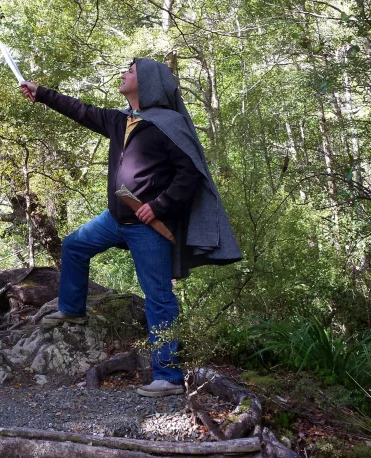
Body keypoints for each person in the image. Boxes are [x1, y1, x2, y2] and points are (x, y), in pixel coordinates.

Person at [20, 58, 241, 397]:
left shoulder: (169, 124)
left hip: (149, 227)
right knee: (74, 246)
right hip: (114, 220)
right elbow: (80, 110)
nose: (124, 74)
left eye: (131, 71)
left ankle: (167, 377)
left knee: (159, 298)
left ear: (149, 82)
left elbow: (190, 175)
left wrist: (159, 205)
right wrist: (41, 93)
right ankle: (72, 309)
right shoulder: (120, 119)